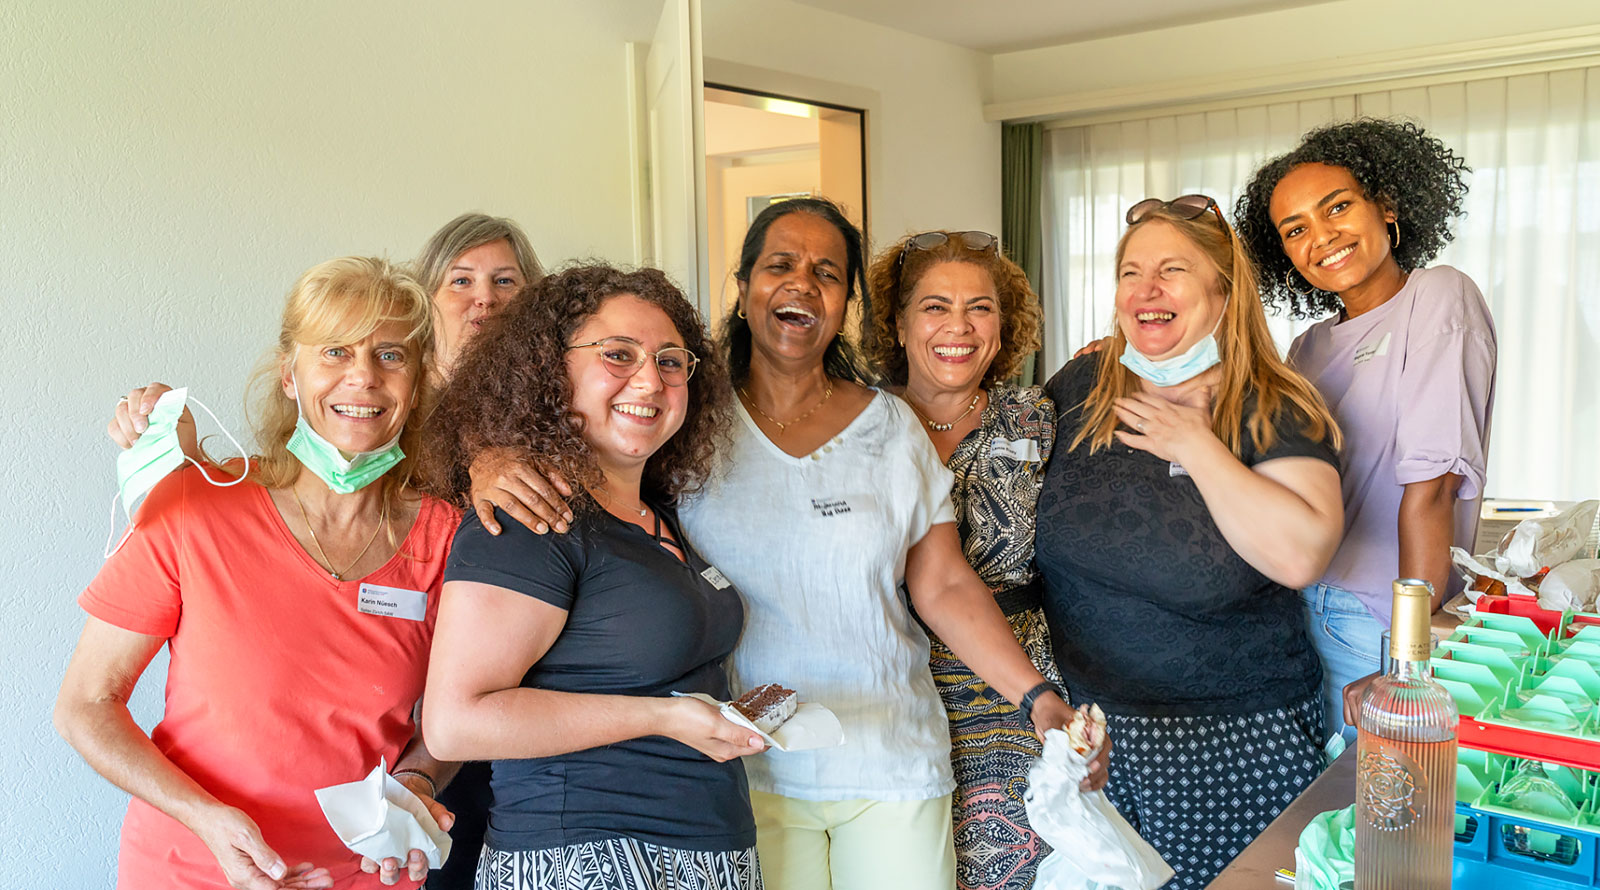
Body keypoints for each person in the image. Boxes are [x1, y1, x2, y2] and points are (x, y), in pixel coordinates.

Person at [470, 199, 1081, 890]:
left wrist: (1036, 698)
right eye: (779, 265)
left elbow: (941, 584)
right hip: (741, 768)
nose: (801, 283)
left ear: (848, 302)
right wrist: (485, 458)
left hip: (892, 759)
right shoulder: (684, 419)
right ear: (744, 284)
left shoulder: (892, 426)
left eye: (827, 272)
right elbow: (581, 444)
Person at [57, 257, 459, 890]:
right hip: (193, 867)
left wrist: (415, 782)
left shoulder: (447, 538)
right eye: (334, 351)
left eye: (390, 355)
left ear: (416, 383)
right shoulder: (194, 506)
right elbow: (85, 704)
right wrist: (208, 821)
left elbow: (457, 710)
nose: (363, 377)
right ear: (289, 377)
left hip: (368, 876)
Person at [419, 264, 765, 890]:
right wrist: (662, 718)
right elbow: (455, 721)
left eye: (669, 360)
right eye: (617, 354)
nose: (649, 379)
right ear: (552, 370)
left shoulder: (654, 514)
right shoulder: (531, 518)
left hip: (706, 852)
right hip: (582, 859)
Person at [1036, 196, 1345, 890]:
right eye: (1131, 272)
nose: (1147, 290)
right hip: (1092, 740)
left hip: (1235, 745)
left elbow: (1300, 556)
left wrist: (1196, 447)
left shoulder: (1270, 403)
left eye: (1172, 270)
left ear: (1224, 293)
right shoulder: (1081, 385)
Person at [1234, 119, 1497, 741]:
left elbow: (1432, 485)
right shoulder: (1308, 347)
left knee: (1378, 810)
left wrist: (1402, 662)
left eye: (1338, 208)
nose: (1321, 238)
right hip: (1300, 607)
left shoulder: (1438, 296)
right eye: (1295, 230)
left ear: (1387, 206)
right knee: (1322, 812)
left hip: (1378, 616)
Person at [860, 231, 1067, 890]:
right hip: (885, 684)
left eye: (980, 308)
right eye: (934, 307)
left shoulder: (1038, 420)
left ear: (1003, 327)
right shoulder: (852, 424)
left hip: (1016, 690)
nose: (959, 326)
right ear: (896, 324)